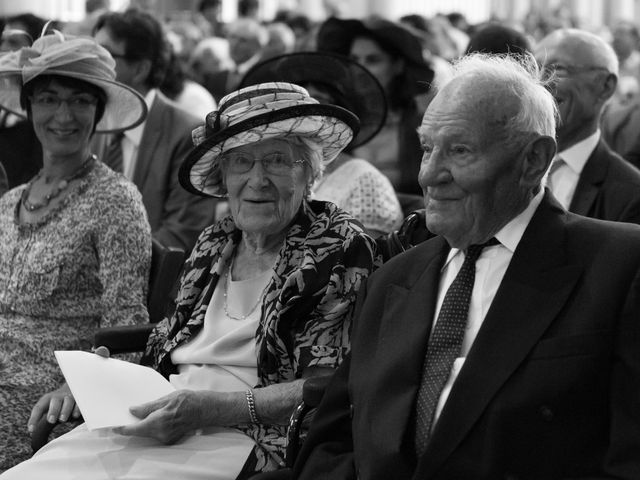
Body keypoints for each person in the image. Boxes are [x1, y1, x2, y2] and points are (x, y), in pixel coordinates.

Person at [3, 82, 380, 480]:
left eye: (276, 161)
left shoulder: (337, 246)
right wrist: (103, 381)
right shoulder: (215, 240)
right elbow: (163, 343)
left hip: (248, 437)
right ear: (224, 177)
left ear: (309, 174)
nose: (257, 179)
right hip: (162, 417)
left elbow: (326, 385)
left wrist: (208, 408)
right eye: (241, 163)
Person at [290, 54, 640, 479]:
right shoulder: (392, 281)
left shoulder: (620, 265)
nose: (429, 175)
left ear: (533, 159)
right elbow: (333, 441)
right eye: (425, 148)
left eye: (459, 150)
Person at [0, 32, 151, 470]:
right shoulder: (11, 201)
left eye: (80, 101)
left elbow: (128, 324)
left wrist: (79, 387)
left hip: (48, 400)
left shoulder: (116, 200)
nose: (63, 115)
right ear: (29, 110)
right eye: (48, 98)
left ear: (98, 112)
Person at [92, 8, 217, 252]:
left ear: (140, 69)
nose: (91, 66)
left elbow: (181, 235)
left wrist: (108, 263)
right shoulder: (93, 124)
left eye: (103, 56)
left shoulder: (188, 134)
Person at [241, 51, 403, 236]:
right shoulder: (265, 176)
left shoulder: (365, 180)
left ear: (337, 115)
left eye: (318, 102)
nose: (301, 113)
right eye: (290, 106)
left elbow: (369, 259)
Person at [316, 16, 435, 195]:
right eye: (354, 59)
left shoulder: (421, 124)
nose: (360, 69)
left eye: (373, 60)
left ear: (398, 66)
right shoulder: (336, 121)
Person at [535, 28, 640, 224]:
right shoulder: (505, 167)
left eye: (558, 69)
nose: (540, 82)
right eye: (534, 68)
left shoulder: (630, 195)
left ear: (605, 86)